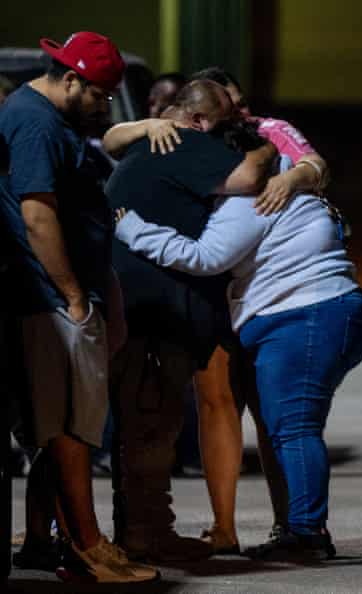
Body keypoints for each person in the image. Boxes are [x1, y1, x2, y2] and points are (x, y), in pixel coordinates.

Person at [113, 134, 362, 559]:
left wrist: (133, 228)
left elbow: (206, 257)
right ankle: (298, 528)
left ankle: (306, 534)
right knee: (291, 426)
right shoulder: (284, 174)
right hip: (318, 313)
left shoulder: (248, 199)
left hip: (301, 316)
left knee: (295, 428)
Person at [0, 31, 158, 583]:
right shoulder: (37, 123)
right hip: (53, 302)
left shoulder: (49, 116)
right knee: (71, 430)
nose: (104, 104)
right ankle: (88, 550)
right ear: (70, 79)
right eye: (99, 94)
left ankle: (44, 543)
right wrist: (72, 295)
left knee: (60, 428)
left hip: (61, 297)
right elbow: (37, 215)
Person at [101, 79, 278, 562]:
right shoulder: (186, 143)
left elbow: (113, 139)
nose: (225, 138)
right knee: (153, 423)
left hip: (127, 307)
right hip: (155, 314)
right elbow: (247, 180)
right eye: (223, 127)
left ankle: (143, 528)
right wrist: (267, 149)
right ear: (199, 122)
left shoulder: (144, 146)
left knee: (139, 421)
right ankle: (146, 533)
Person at [184, 66, 329, 554]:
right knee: (218, 405)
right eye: (229, 102)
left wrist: (292, 176)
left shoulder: (268, 131)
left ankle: (290, 525)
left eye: (240, 100)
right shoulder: (188, 140)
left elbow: (317, 166)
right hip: (211, 283)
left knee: (272, 414)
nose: (240, 110)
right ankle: (225, 527)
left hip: (260, 286)